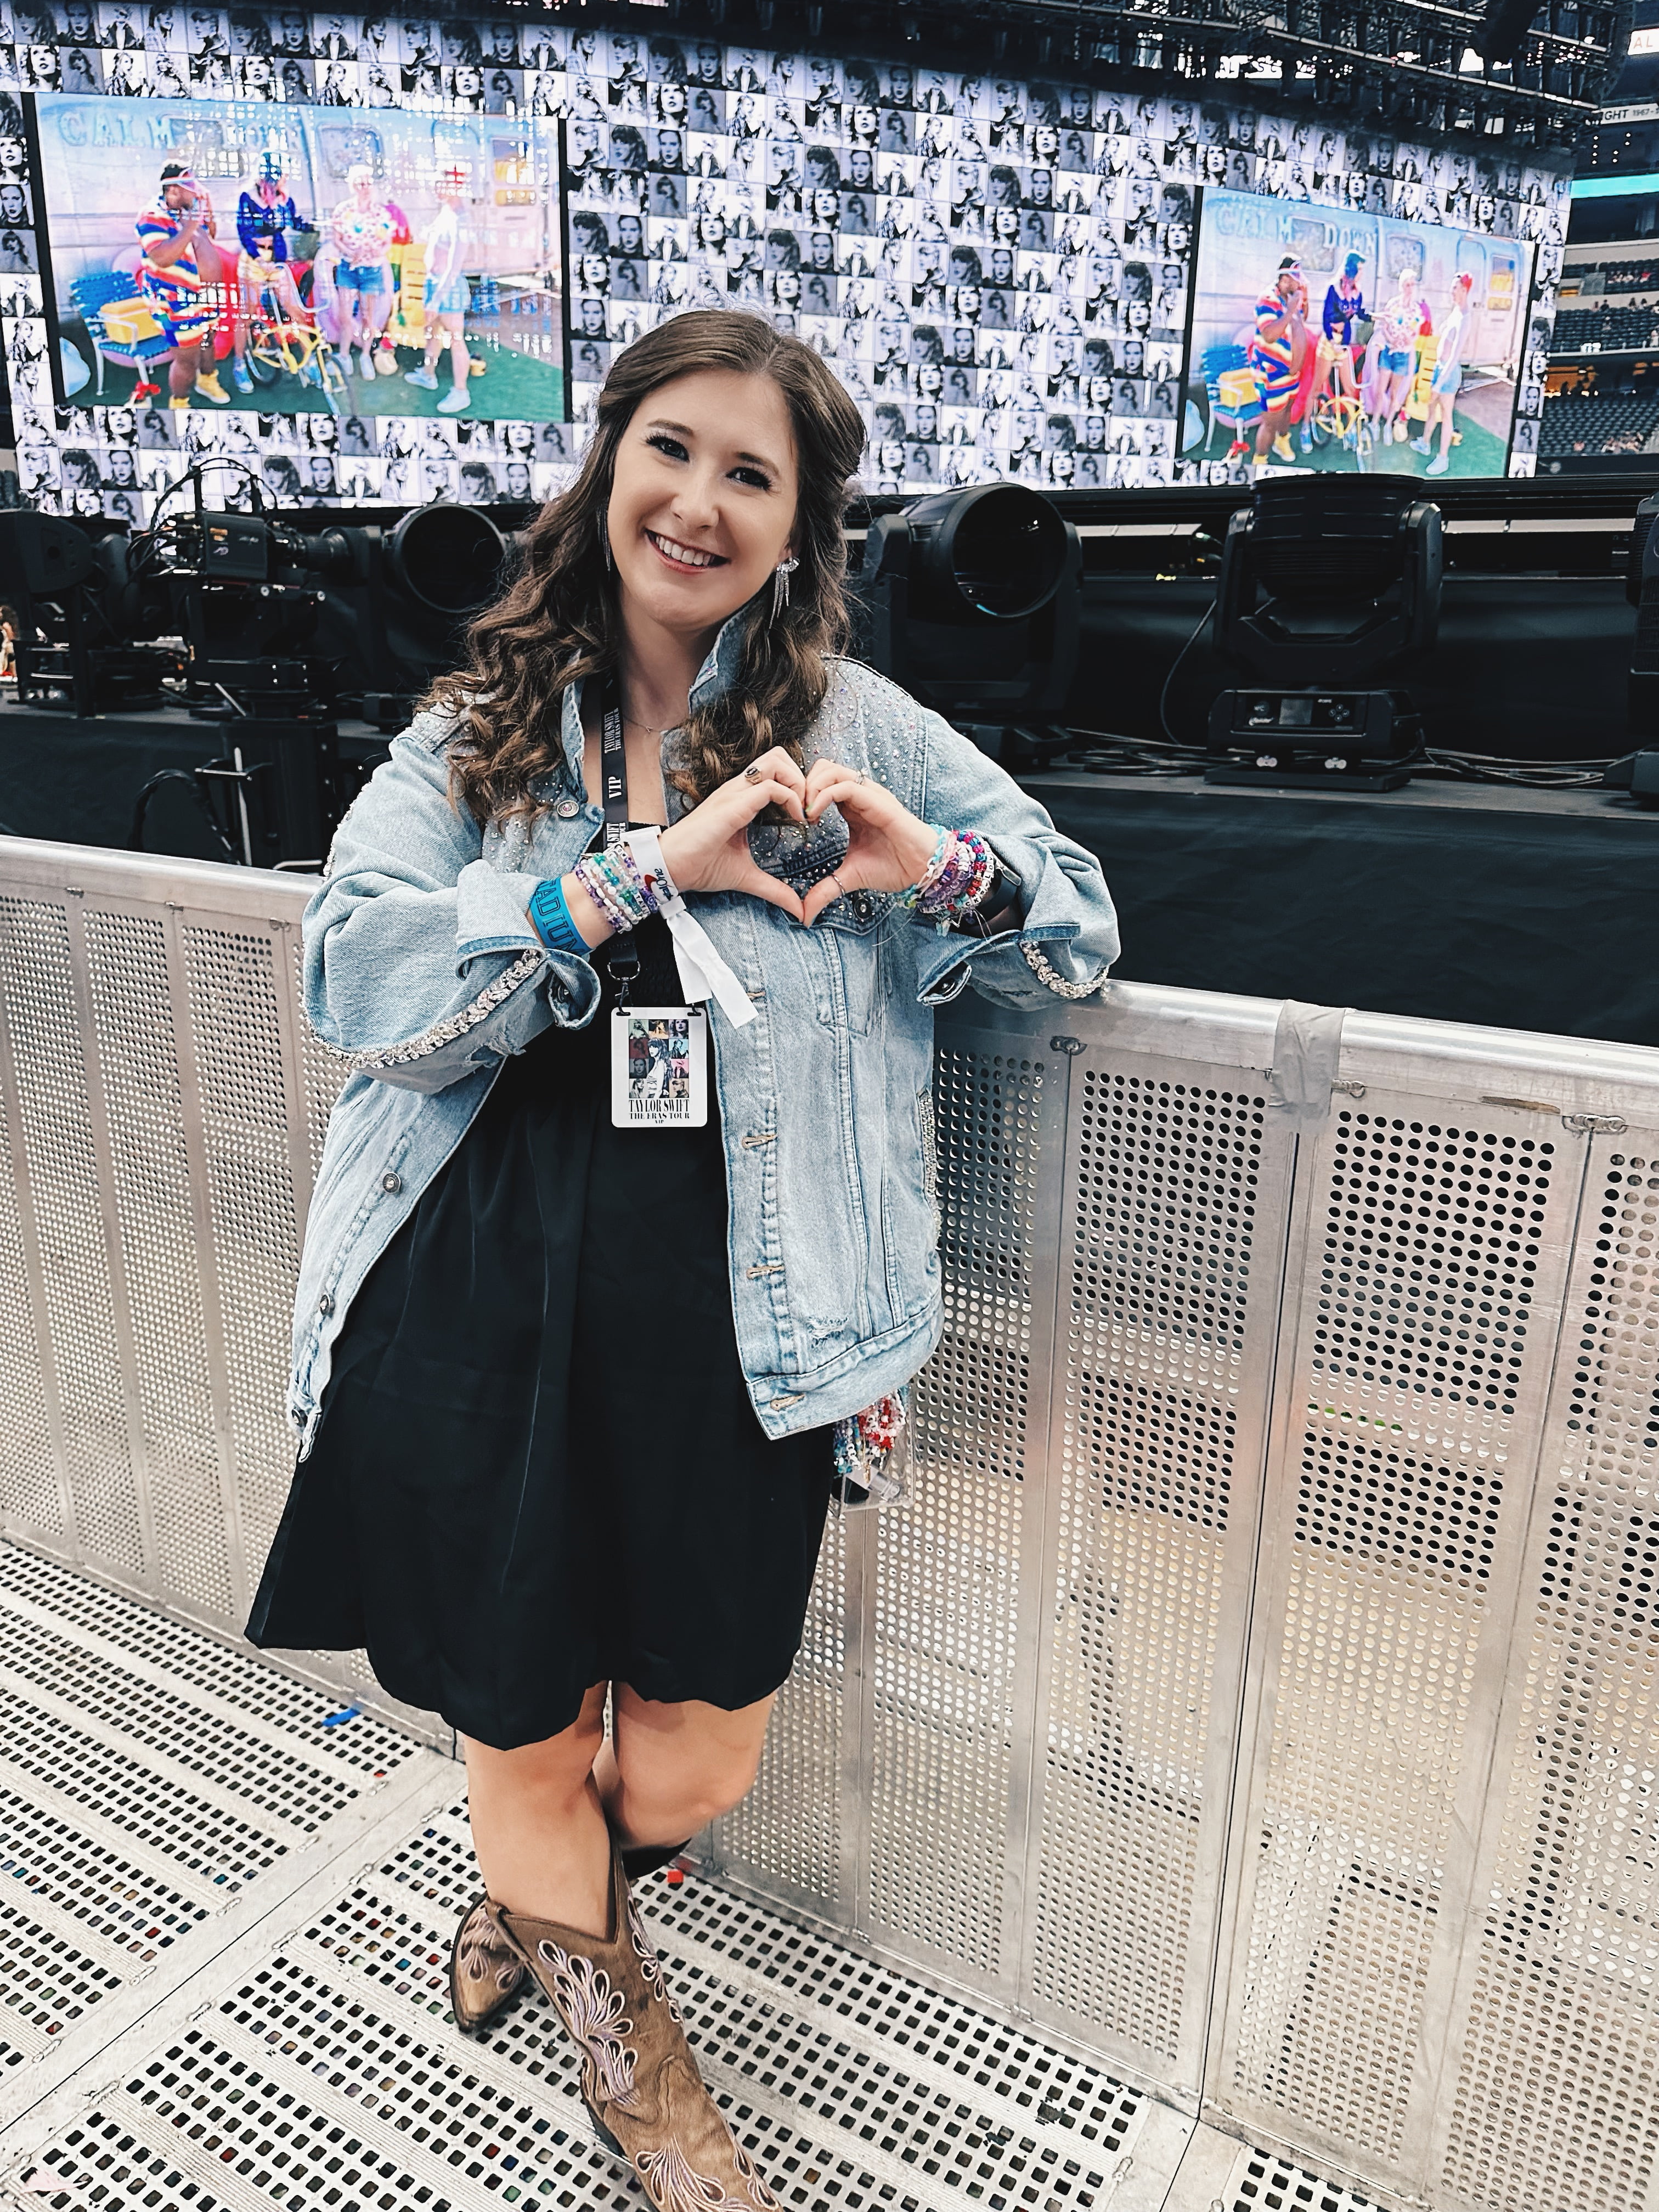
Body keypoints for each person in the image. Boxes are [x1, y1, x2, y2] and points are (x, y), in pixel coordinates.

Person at [245, 309, 1114, 2212]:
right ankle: (619, 2027)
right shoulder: (469, 734)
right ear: (607, 468)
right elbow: (351, 969)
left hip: (749, 1321)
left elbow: (1074, 928)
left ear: (799, 530)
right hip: (471, 1302)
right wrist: (633, 870)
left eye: (752, 474)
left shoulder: (859, 724)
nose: (699, 501)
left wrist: (943, 872)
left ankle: (539, 1897)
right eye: (671, 450)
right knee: (523, 1716)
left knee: (700, 1757)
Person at [135, 162, 230, 411]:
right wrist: (190, 225)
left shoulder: (187, 208)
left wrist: (207, 215)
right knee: (186, 359)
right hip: (174, 302)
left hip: (206, 295)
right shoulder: (152, 216)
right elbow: (162, 257)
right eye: (191, 187)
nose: (197, 192)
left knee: (208, 339)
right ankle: (179, 403)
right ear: (174, 191)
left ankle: (207, 381)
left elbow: (210, 236)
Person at [404, 161, 472, 414]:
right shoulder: (446, 212)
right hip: (434, 285)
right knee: (434, 333)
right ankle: (428, 374)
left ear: (456, 187)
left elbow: (454, 268)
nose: (436, 189)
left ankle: (461, 392)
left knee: (455, 339)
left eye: (441, 184)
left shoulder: (462, 219)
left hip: (448, 288)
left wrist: (435, 300)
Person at [331, 162, 396, 385]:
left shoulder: (381, 213)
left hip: (372, 272)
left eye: (367, 182)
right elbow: (337, 240)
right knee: (345, 316)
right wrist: (351, 251)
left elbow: (388, 243)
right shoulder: (342, 210)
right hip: (348, 270)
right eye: (359, 183)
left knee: (368, 317)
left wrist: (379, 250)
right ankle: (344, 355)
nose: (364, 186)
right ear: (352, 185)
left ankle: (366, 356)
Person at [1247, 254, 1307, 479]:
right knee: (1270, 421)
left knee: (1287, 411)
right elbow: (1270, 335)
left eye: (1298, 279)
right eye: (1293, 279)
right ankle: (1259, 461)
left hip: (1291, 373)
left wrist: (1301, 304)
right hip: (1270, 374)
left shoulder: (1291, 296)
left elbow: (1302, 322)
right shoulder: (1268, 299)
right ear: (1282, 277)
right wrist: (1291, 309)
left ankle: (1283, 442)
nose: (1297, 283)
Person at [1413, 270, 1472, 476]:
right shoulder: (1456, 311)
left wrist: (1439, 384)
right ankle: (1425, 443)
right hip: (1439, 368)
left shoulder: (1466, 317)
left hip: (1449, 373)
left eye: (1455, 288)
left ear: (1464, 290)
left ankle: (1443, 459)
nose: (1451, 291)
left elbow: (1455, 356)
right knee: (1432, 409)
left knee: (1447, 416)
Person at [1370, 265, 1430, 448]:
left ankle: (1388, 425)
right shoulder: (1393, 304)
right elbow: (1384, 327)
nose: (1410, 288)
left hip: (1403, 356)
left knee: (1395, 393)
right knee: (1381, 391)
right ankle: (1374, 423)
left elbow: (1416, 334)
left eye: (1412, 285)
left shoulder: (1416, 310)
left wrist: (1406, 341)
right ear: (1401, 286)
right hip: (1389, 353)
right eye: (1407, 285)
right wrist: (1391, 340)